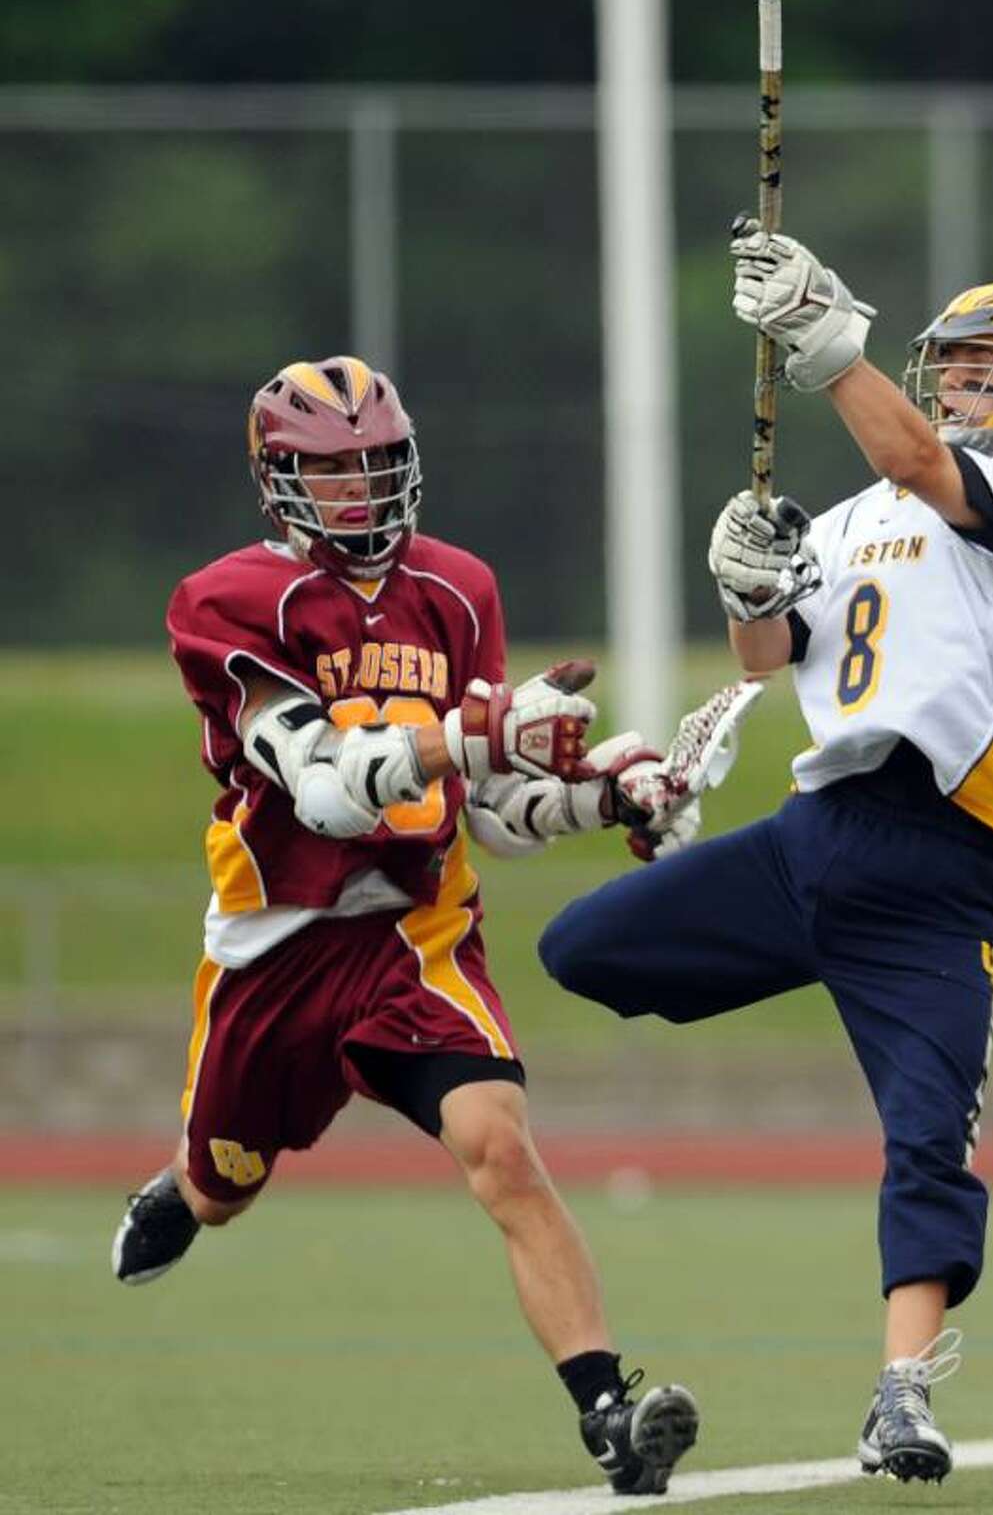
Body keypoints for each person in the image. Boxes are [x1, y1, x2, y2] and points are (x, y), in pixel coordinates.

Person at [539, 231, 993, 1484]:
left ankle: (901, 1392)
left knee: (928, 1141)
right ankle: (809, 972)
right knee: (579, 946)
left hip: (942, 865)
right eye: (950, 363)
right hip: (815, 841)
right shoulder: (856, 514)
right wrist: (742, 584)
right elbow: (765, 658)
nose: (961, 382)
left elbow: (915, 452)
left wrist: (823, 333)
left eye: (989, 366)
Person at [111, 353, 699, 1497]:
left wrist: (603, 797)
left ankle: (611, 1415)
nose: (361, 492)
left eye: (377, 465)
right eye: (332, 474)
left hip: (418, 934)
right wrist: (478, 732)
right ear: (277, 480)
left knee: (502, 1151)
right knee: (227, 1186)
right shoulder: (224, 601)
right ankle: (184, 1188)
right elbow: (327, 787)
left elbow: (497, 814)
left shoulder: (459, 588)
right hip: (277, 944)